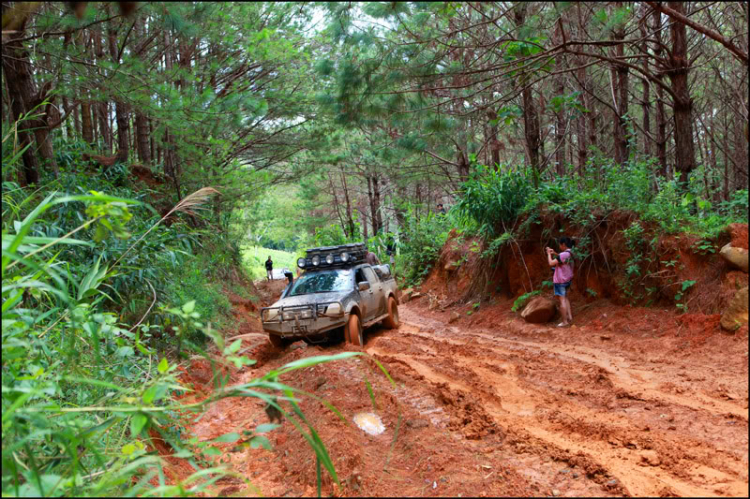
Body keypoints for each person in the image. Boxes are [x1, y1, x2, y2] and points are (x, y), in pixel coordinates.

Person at [546, 237, 575, 327]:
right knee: (566, 298)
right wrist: (554, 253)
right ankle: (570, 318)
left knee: (562, 300)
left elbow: (551, 263)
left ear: (563, 245)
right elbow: (562, 258)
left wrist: (548, 254)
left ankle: (564, 321)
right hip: (568, 279)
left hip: (560, 280)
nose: (559, 246)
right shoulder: (571, 252)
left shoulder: (563, 254)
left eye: (560, 244)